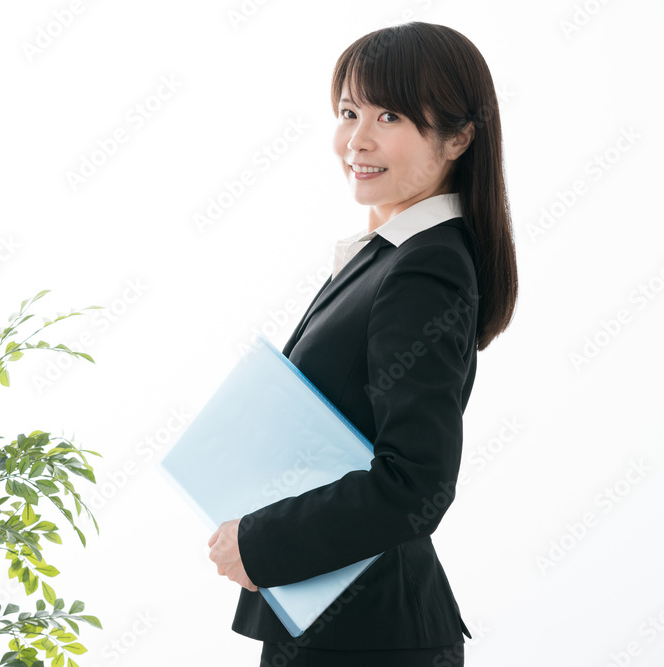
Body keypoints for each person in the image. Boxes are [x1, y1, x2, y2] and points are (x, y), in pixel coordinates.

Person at [207, 21, 518, 666]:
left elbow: (416, 482)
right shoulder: (387, 255)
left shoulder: (425, 267)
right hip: (333, 622)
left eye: (390, 116)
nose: (358, 139)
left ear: (458, 138)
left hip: (368, 636)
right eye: (349, 112)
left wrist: (262, 542)